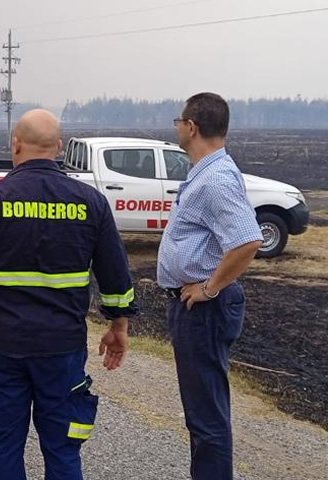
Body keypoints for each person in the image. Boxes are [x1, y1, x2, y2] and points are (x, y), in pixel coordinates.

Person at [0, 109, 138, 480]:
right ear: (59, 148)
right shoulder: (91, 202)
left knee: (4, 444)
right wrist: (119, 326)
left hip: (4, 346)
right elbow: (115, 276)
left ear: (15, 145)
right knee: (63, 449)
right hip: (62, 349)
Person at [157, 93, 263, 479]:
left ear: (192, 127)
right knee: (201, 414)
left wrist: (209, 288)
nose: (177, 127)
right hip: (194, 307)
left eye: (178, 121)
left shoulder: (215, 178)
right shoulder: (205, 172)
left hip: (203, 309)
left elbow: (248, 240)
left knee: (207, 420)